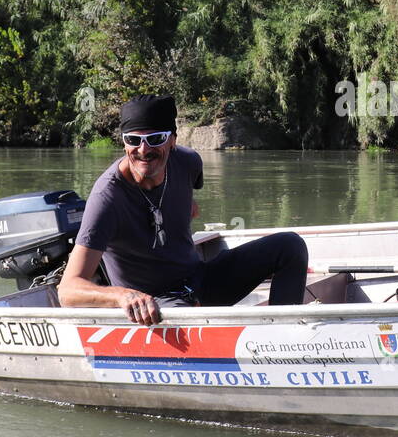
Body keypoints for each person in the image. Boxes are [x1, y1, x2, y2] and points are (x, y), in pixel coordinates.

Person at [57, 94, 309, 325]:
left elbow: (190, 195)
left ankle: (284, 334)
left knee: (289, 246)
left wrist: (184, 204)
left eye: (155, 139)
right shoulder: (106, 198)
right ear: (124, 144)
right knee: (197, 322)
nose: (143, 150)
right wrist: (123, 296)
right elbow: (68, 290)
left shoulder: (188, 162)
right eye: (133, 140)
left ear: (173, 141)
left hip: (201, 280)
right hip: (158, 305)